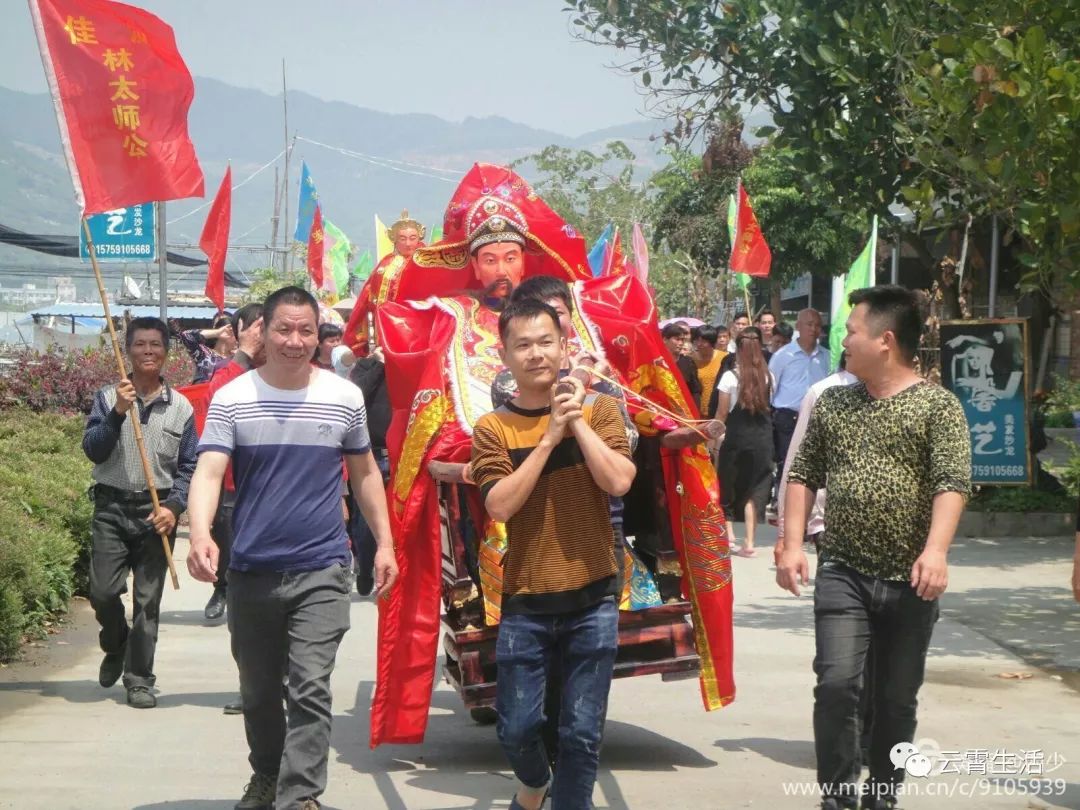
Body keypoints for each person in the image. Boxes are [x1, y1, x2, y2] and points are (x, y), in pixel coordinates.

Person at [187, 286, 399, 810]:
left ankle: (299, 796)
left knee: (309, 687)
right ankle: (267, 777)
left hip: (322, 567)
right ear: (261, 332)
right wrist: (199, 534)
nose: (295, 340)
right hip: (253, 570)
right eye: (284, 329)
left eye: (306, 330)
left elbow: (366, 473)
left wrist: (385, 544)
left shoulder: (344, 396)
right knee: (259, 692)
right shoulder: (234, 398)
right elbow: (209, 471)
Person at [776, 285, 971, 810]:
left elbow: (951, 482)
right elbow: (802, 474)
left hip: (911, 579)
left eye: (852, 331)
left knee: (896, 699)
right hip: (843, 569)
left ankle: (882, 796)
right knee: (838, 685)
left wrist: (936, 551)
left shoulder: (938, 406)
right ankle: (836, 798)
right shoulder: (835, 402)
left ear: (885, 341)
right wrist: (792, 543)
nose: (844, 339)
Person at [471, 298, 635, 810]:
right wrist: (547, 440)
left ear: (565, 348)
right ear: (505, 354)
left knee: (582, 735)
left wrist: (577, 423)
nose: (536, 354)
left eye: (546, 342)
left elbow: (619, 481)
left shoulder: (601, 409)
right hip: (526, 599)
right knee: (518, 730)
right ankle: (534, 784)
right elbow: (499, 505)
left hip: (593, 598)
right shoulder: (492, 428)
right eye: (523, 345)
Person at [82, 317, 197, 709]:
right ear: (127, 350)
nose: (148, 351)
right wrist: (117, 412)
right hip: (111, 507)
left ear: (166, 352)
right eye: (140, 345)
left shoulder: (181, 407)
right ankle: (115, 644)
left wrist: (174, 507)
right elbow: (94, 450)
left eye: (156, 345)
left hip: (155, 513)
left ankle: (139, 679)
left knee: (148, 603)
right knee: (102, 592)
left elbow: (188, 467)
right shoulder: (106, 396)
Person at [200, 302, 265, 624]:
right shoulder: (230, 370)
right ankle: (222, 587)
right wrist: (246, 354)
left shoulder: (288, 369)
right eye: (255, 327)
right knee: (226, 538)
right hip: (231, 481)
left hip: (273, 481)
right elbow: (217, 394)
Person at [714, 326, 774, 558]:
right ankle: (749, 542)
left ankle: (729, 537)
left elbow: (721, 413)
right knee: (755, 488)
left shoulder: (730, 376)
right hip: (763, 439)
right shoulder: (769, 376)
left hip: (736, 439)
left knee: (728, 485)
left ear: (738, 350)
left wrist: (713, 439)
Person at [342, 210, 425, 350]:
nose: (408, 243)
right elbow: (367, 297)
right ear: (395, 240)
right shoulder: (385, 265)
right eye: (403, 239)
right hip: (387, 324)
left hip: (418, 324)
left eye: (413, 238)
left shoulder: (427, 261)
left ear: (419, 238)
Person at [769, 308, 830, 494]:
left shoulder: (827, 356)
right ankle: (783, 503)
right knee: (788, 463)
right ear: (798, 326)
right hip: (788, 419)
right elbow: (771, 387)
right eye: (809, 324)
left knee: (814, 465)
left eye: (818, 325)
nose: (814, 329)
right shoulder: (782, 356)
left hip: (817, 418)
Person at [176, 314, 237, 384]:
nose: (238, 339)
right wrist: (217, 333)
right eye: (235, 334)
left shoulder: (237, 358)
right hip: (202, 393)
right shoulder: (205, 353)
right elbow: (186, 335)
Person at [661, 321, 703, 408]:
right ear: (665, 340)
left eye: (682, 340)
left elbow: (695, 391)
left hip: (683, 412)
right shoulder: (657, 362)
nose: (680, 343)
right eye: (677, 339)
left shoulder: (688, 362)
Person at [692, 324, 726, 416]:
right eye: (697, 340)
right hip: (698, 412)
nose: (699, 344)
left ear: (712, 342)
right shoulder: (690, 360)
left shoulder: (724, 358)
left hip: (719, 410)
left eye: (703, 341)